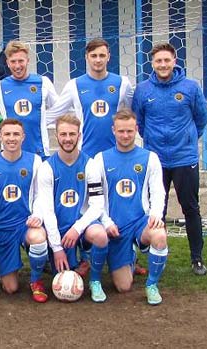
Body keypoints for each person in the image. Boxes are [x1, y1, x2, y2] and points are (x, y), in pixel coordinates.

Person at [48, 38, 136, 277]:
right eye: (93, 56)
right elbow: (55, 114)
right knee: (86, 206)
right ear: (86, 58)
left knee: (119, 205)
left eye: (102, 55)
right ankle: (86, 256)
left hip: (117, 157)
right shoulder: (75, 85)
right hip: (86, 157)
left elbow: (131, 113)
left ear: (109, 57)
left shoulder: (122, 83)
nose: (98, 60)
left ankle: (127, 255)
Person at [132, 42, 207, 276]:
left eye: (166, 60)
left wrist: (186, 139)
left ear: (174, 61)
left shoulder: (190, 87)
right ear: (152, 64)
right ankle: (156, 257)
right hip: (155, 161)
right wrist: (153, 141)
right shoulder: (143, 90)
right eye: (158, 61)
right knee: (156, 211)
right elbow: (139, 122)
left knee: (191, 208)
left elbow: (201, 118)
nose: (162, 65)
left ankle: (196, 258)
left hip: (185, 158)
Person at [94, 109, 167, 305]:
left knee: (159, 235)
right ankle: (129, 255)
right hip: (114, 227)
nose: (125, 135)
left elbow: (158, 191)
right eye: (121, 131)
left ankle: (152, 285)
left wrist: (156, 214)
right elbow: (95, 198)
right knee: (123, 287)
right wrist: (106, 222)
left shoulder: (150, 157)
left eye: (129, 131)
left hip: (139, 222)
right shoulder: (100, 159)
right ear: (113, 131)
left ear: (136, 129)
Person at [37, 114, 108, 302]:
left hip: (81, 224)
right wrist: (57, 247)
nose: (67, 139)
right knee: (63, 272)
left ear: (79, 135)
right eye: (63, 134)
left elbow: (97, 205)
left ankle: (95, 281)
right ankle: (75, 259)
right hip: (58, 227)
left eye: (71, 134)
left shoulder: (90, 165)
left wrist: (77, 229)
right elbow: (47, 210)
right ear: (56, 136)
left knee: (100, 235)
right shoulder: (46, 168)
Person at [0, 119, 49, 303]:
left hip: (25, 224)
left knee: (38, 237)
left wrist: (37, 215)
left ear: (23, 137)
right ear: (1, 137)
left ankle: (36, 280)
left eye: (16, 134)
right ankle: (8, 266)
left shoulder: (35, 161)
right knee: (11, 288)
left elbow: (40, 195)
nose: (12, 138)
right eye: (7, 134)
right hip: (1, 227)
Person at [0, 40, 58, 160]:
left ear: (28, 60)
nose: (17, 66)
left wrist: (43, 119)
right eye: (13, 61)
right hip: (8, 156)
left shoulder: (43, 82)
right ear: (7, 63)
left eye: (21, 61)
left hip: (39, 153)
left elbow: (59, 109)